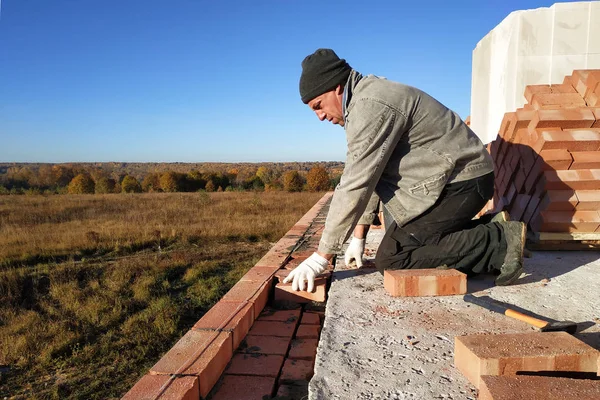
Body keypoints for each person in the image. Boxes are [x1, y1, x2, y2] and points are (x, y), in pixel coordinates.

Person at [283, 48, 526, 293]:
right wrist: (359, 236)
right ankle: (484, 230)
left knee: (393, 259)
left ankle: (499, 241)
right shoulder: (364, 99)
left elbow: (355, 183)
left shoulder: (370, 105)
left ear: (336, 87)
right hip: (454, 178)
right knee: (400, 238)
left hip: (463, 181)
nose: (320, 117)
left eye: (318, 105)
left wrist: (321, 257)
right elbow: (373, 174)